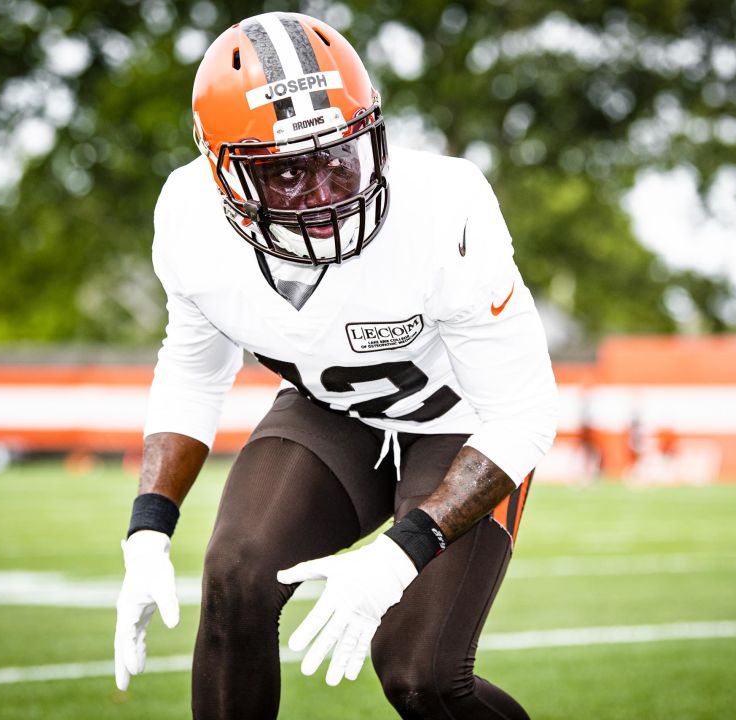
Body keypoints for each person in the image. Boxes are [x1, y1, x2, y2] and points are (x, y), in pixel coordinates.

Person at [111, 12, 559, 720]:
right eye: (286, 171)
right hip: (334, 410)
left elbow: (525, 414)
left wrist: (402, 551)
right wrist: (148, 531)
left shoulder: (446, 208)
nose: (323, 194)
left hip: (462, 422)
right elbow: (195, 371)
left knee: (422, 673)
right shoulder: (190, 218)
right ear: (224, 174)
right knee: (236, 575)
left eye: (338, 155)